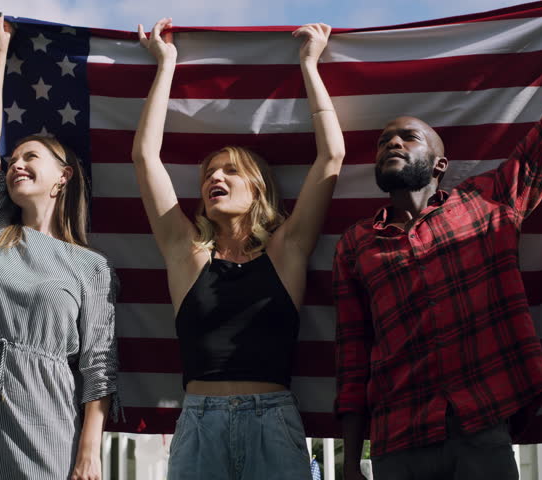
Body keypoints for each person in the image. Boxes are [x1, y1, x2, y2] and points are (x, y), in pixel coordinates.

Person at [332, 1, 542, 478]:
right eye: (385, 140)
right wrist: (350, 462)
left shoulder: (487, 203)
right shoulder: (355, 244)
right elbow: (352, 357)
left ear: (440, 165)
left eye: (408, 137)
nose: (391, 143)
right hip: (396, 440)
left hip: (480, 426)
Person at [133, 18, 345, 479]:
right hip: (199, 424)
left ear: (259, 187)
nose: (215, 178)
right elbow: (145, 158)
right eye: (209, 173)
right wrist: (165, 64)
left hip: (274, 422)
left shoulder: (287, 250)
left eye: (230, 171)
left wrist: (309, 63)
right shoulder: (185, 252)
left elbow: (330, 157)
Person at [0, 14, 119, 480]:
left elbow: (99, 363)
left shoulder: (91, 267)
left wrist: (89, 451)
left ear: (63, 176)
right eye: (12, 160)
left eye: (30, 157)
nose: (16, 164)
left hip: (50, 425)